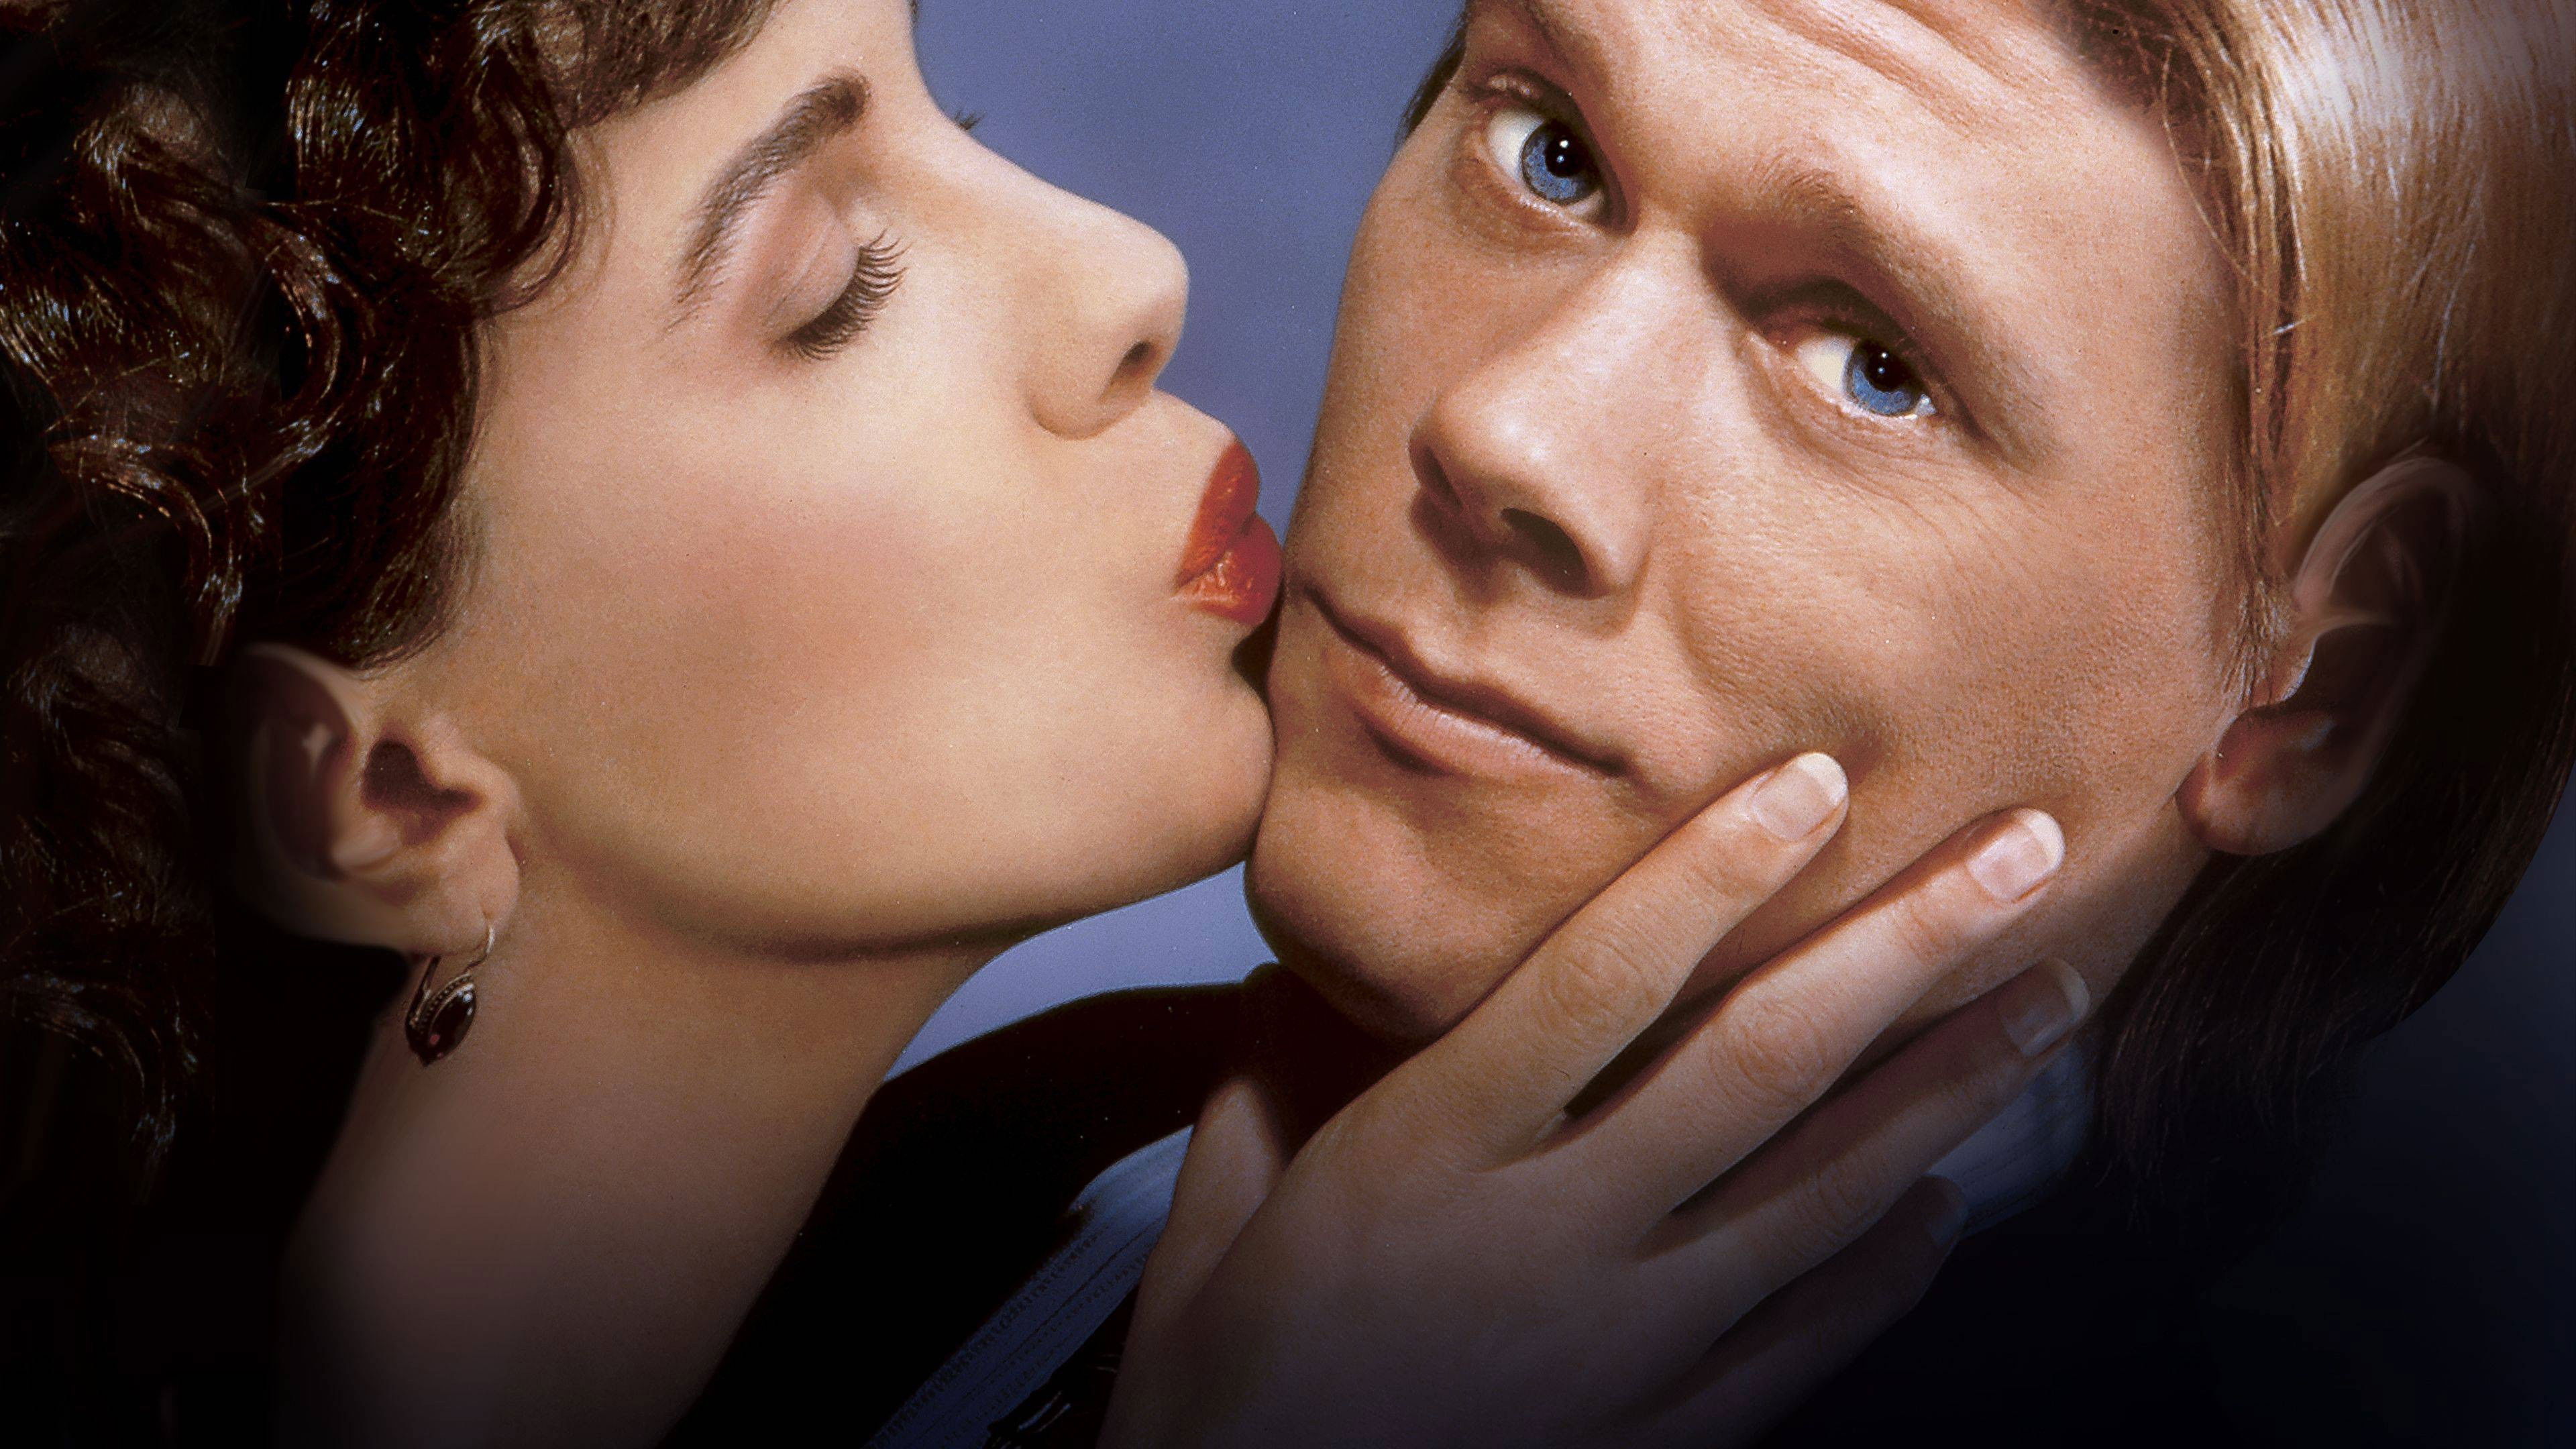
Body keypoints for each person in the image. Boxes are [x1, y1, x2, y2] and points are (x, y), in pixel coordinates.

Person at [2, 1, 2096, 1444]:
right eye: (832, 286)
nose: (1134, 273)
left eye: (966, 129)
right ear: (385, 797)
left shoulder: (1020, 1196)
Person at [700, 0, 2576, 1443]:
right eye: (1554, 157)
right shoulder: (1010, 1143)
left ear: (2320, 684)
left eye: (1877, 367)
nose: (1503, 431)